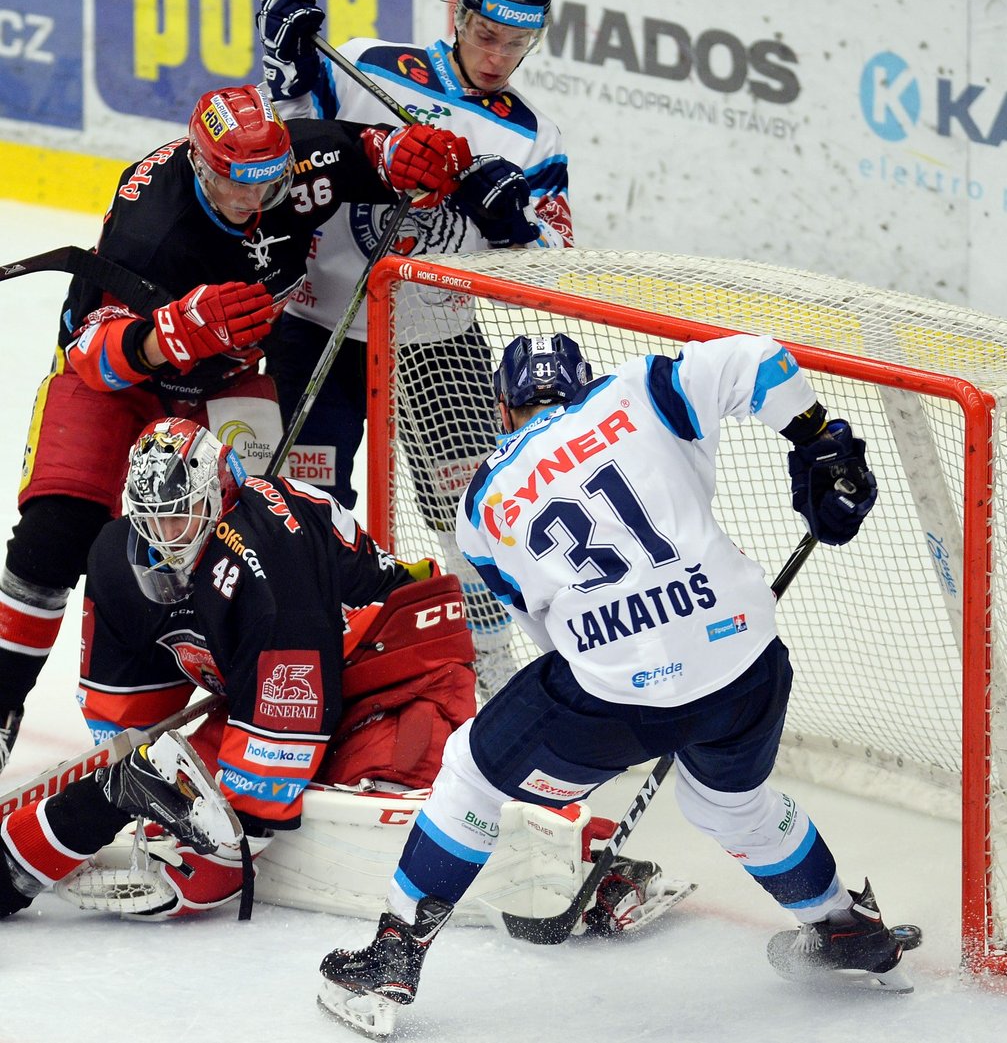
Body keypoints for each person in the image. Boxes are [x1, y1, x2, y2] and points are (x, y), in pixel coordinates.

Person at [316, 331, 913, 1036]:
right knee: (729, 804)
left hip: (614, 697)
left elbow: (548, 635)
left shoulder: (481, 501)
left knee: (472, 770)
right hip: (746, 664)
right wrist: (819, 440)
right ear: (583, 381)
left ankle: (394, 953)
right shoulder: (639, 389)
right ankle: (846, 926)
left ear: (504, 409)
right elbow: (757, 357)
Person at [0, 83, 478, 772]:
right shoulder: (152, 225)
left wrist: (412, 155)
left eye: (267, 181)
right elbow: (90, 353)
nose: (253, 201)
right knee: (55, 533)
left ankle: (253, 697)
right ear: (200, 165)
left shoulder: (300, 158)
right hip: (123, 380)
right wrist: (172, 332)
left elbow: (372, 151)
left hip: (226, 379)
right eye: (233, 184)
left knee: (260, 537)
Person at [255, 0, 573, 696]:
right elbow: (278, 156)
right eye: (488, 34)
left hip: (439, 339)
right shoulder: (367, 65)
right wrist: (285, 74)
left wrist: (512, 224)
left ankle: (489, 674)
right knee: (306, 508)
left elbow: (555, 263)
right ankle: (311, 661)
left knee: (479, 509)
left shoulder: (533, 138)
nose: (499, 57)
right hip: (317, 322)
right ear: (457, 13)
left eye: (518, 42)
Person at [0, 417, 477, 919]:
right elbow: (129, 725)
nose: (165, 538)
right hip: (265, 682)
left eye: (178, 517)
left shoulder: (270, 563)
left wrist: (226, 848)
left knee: (385, 788)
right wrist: (126, 778)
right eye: (151, 519)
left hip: (398, 673)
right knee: (169, 788)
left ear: (217, 496)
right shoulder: (120, 555)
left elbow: (244, 823)